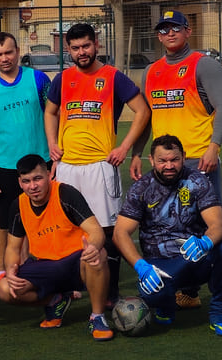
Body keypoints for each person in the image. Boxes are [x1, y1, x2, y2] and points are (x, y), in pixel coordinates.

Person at [129, 9, 222, 316]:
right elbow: (147, 117)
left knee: (208, 227)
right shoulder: (151, 71)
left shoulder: (204, 64)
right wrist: (137, 152)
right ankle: (189, 292)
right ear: (158, 36)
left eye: (176, 28)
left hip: (198, 162)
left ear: (188, 31)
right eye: (164, 30)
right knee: (173, 226)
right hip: (165, 165)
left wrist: (214, 147)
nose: (170, 34)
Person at [43, 22, 150, 302]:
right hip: (67, 168)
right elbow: (50, 112)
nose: (82, 52)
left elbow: (142, 111)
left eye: (86, 46)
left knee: (107, 231)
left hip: (100, 167)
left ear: (96, 44)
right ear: (68, 50)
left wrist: (124, 147)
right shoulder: (62, 79)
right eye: (75, 48)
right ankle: (69, 288)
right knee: (68, 229)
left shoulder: (113, 77)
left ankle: (110, 294)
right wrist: (52, 143)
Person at [113, 134, 222, 336]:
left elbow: (218, 225)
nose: (169, 166)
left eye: (174, 160)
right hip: (161, 263)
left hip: (195, 256)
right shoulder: (141, 188)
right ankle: (166, 304)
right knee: (151, 294)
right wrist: (141, 266)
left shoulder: (197, 181)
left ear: (184, 157)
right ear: (151, 160)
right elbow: (120, 233)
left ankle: (219, 313)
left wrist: (206, 241)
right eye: (162, 161)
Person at [0, 155, 114, 341]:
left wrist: (94, 247)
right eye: (26, 181)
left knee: (98, 254)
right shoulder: (18, 205)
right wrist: (10, 269)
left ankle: (97, 317)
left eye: (37, 178)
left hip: (76, 261)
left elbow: (96, 231)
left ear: (49, 175)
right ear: (19, 182)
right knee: (4, 288)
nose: (33, 186)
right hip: (44, 267)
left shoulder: (66, 194)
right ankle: (55, 300)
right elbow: (12, 248)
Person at [0, 32, 52, 282]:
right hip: (7, 169)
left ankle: (51, 273)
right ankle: (20, 275)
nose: (4, 58)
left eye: (8, 52)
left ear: (18, 51)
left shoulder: (38, 79)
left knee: (47, 221)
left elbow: (54, 115)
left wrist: (56, 153)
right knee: (14, 227)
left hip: (41, 164)